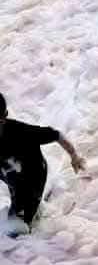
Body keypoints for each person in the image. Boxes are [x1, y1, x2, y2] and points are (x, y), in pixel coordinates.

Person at [0, 93, 84, 235]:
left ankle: (34, 214)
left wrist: (74, 157)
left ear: (4, 118)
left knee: (15, 231)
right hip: (9, 171)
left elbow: (56, 134)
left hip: (32, 177)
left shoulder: (21, 132)